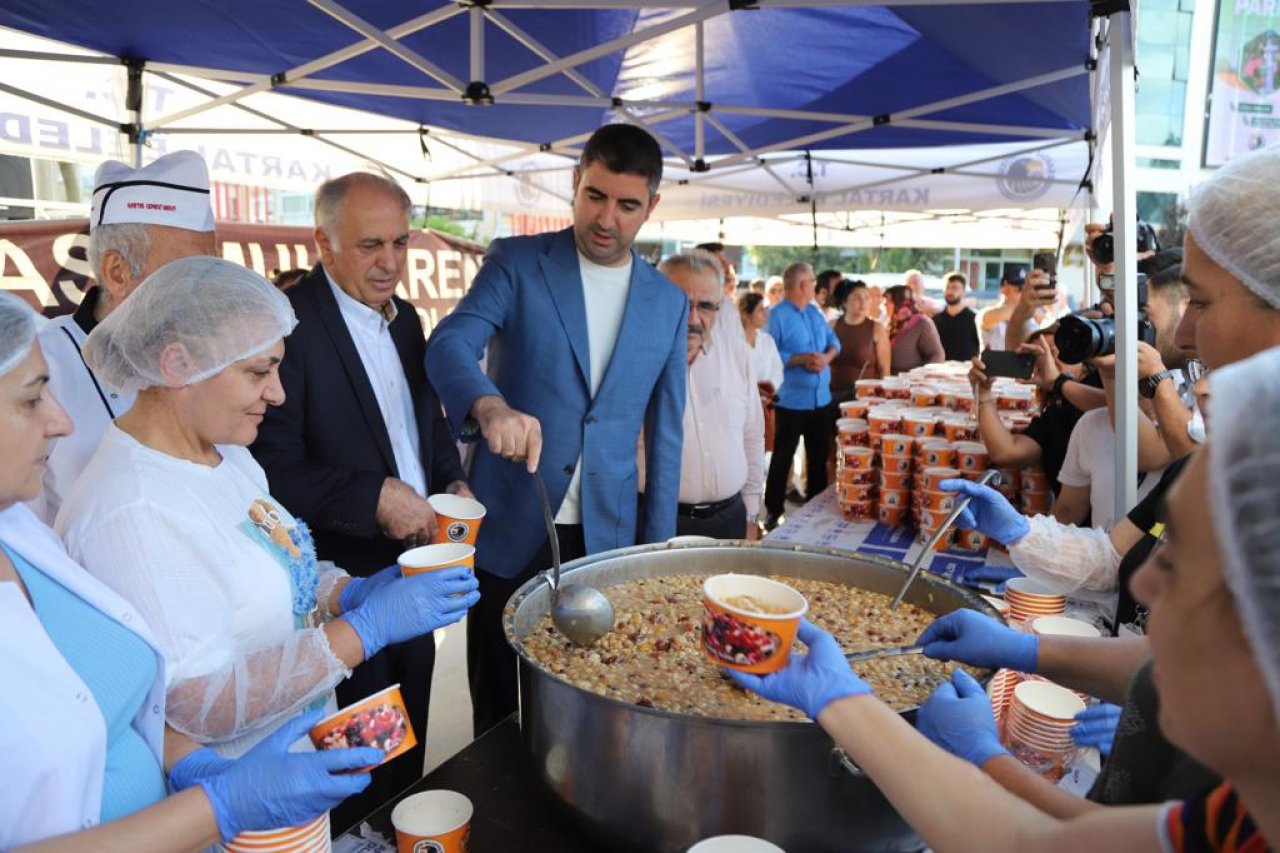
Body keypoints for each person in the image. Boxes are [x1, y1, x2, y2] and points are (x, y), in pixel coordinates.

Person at [731, 346, 1280, 850]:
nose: (1143, 585)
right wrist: (1024, 647)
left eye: (1183, 560)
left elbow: (1032, 846)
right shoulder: (1244, 807)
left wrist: (974, 751)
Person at [0, 293, 439, 851]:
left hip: (275, 797)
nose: (279, 394)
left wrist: (347, 593)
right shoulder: (130, 509)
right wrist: (363, 630)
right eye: (260, 371)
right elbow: (188, 700)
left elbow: (276, 561)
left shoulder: (227, 454)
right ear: (179, 366)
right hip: (229, 824)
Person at [424, 123, 687, 737]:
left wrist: (659, 555)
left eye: (627, 205)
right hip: (512, 526)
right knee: (497, 702)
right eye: (595, 196)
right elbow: (449, 344)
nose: (606, 218)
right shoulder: (517, 263)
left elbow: (665, 435)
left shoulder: (668, 302)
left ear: (651, 206)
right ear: (575, 182)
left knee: (596, 698)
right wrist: (488, 406)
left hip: (608, 540)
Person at [249, 172, 472, 824]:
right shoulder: (287, 330)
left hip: (416, 575)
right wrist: (370, 495)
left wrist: (448, 479)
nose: (391, 263)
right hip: (340, 597)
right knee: (355, 775)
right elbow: (267, 470)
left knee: (411, 756)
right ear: (324, 241)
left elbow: (422, 421)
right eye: (372, 245)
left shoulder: (409, 324)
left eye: (401, 243)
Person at [32, 151, 217, 524]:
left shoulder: (209, 361)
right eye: (189, 271)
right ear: (117, 272)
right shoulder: (40, 368)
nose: (208, 287)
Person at [657, 253, 764, 539]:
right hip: (658, 523)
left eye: (705, 306)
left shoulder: (736, 354)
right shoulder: (635, 359)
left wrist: (752, 513)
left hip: (729, 521)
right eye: (681, 303)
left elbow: (752, 435)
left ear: (720, 307)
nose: (693, 318)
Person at [761, 262, 840, 530]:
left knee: (818, 458)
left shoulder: (815, 313)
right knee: (783, 457)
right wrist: (800, 359)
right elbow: (767, 354)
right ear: (802, 285)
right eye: (812, 280)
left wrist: (825, 358)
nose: (815, 285)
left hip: (821, 399)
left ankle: (813, 512)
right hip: (792, 401)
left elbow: (834, 342)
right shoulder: (776, 316)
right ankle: (773, 511)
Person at [740, 292, 784, 460]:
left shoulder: (767, 340)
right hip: (743, 404)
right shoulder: (735, 342)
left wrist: (768, 389)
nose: (765, 314)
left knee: (761, 451)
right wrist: (753, 390)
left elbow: (777, 369)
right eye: (760, 310)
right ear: (746, 314)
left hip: (766, 403)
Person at [829, 279, 889, 392]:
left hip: (866, 397)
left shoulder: (877, 328)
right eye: (857, 297)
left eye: (867, 297)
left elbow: (884, 368)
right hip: (833, 394)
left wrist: (884, 395)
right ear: (844, 302)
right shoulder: (832, 325)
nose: (863, 302)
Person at [883, 285, 944, 374]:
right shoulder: (890, 324)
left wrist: (921, 377)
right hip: (890, 382)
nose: (884, 304)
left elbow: (937, 355)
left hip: (911, 383)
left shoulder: (921, 324)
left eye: (888, 301)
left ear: (899, 302)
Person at [979, 263, 1031, 351]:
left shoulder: (1030, 314)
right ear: (1004, 288)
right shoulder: (989, 313)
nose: (1025, 293)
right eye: (1020, 289)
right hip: (997, 363)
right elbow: (995, 316)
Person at [930, 271, 981, 362]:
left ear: (963, 292)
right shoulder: (936, 320)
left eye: (954, 288)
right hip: (940, 371)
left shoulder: (975, 319)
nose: (950, 291)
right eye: (947, 287)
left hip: (965, 371)